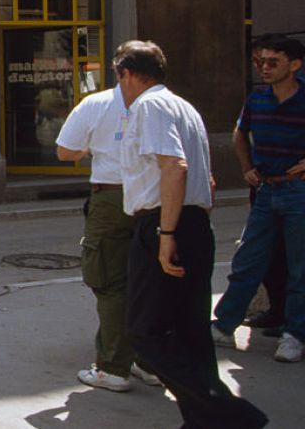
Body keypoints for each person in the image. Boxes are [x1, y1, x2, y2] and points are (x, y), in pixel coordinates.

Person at [115, 41, 266, 429]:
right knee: (189, 330)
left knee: (145, 331)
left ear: (126, 74)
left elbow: (175, 167)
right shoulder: (183, 107)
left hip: (166, 222)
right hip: (192, 221)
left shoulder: (149, 106)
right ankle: (203, 420)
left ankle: (234, 415)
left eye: (119, 79)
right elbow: (206, 178)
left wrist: (167, 233)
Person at [56, 84, 161, 391]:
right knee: (150, 280)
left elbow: (65, 151)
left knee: (110, 281)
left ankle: (113, 367)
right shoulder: (170, 105)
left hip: (112, 197)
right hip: (155, 197)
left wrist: (91, 147)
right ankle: (148, 361)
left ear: (123, 72)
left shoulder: (98, 104)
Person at [212, 34, 305, 363]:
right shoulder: (257, 98)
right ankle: (223, 326)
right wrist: (246, 167)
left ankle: (295, 335)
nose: (264, 68)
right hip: (266, 189)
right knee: (248, 261)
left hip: (298, 190)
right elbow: (240, 133)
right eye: (261, 62)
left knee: (299, 268)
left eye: (273, 62)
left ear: (295, 65)